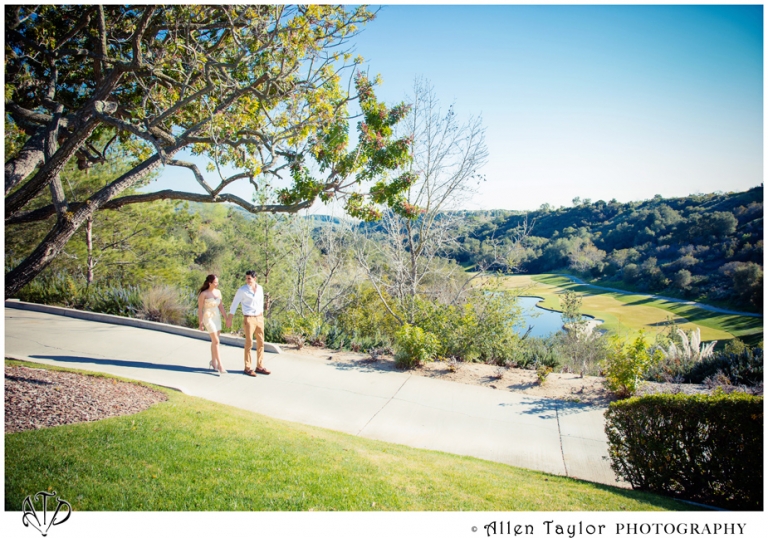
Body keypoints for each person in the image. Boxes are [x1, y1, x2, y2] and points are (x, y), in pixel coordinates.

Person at [226, 270, 270, 377]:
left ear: (255, 278)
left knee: (261, 342)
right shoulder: (242, 290)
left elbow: (260, 302)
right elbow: (234, 304)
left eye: (249, 278)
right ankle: (248, 367)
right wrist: (229, 319)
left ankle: (260, 366)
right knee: (249, 343)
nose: (247, 280)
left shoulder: (260, 288)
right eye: (246, 278)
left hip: (259, 318)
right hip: (249, 318)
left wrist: (262, 316)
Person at [197, 274, 228, 375]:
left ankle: (213, 362)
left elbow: (221, 307)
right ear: (210, 283)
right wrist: (200, 322)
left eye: (217, 282)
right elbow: (200, 309)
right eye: (215, 282)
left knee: (215, 342)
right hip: (208, 317)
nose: (217, 284)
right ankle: (220, 364)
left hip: (217, 317)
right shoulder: (204, 294)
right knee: (216, 341)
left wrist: (226, 318)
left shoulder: (218, 292)